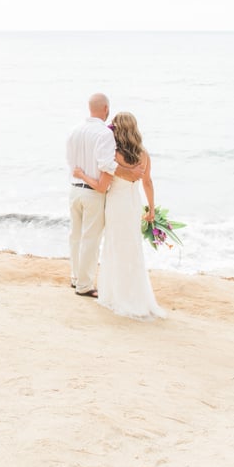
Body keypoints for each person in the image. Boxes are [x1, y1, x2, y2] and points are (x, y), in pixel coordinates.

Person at [73, 111, 166, 320]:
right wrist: (151, 209)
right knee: (132, 248)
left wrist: (81, 175)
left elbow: (102, 185)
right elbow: (148, 183)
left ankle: (116, 295)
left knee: (115, 247)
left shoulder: (113, 155)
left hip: (116, 205)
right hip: (133, 204)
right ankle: (137, 296)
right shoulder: (144, 154)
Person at [65, 94, 143, 298]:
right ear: (106, 109)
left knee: (75, 236)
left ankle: (75, 277)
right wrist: (130, 174)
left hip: (74, 189)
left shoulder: (74, 130)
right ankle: (84, 285)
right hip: (93, 192)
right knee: (91, 239)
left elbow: (70, 162)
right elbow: (106, 165)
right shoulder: (104, 133)